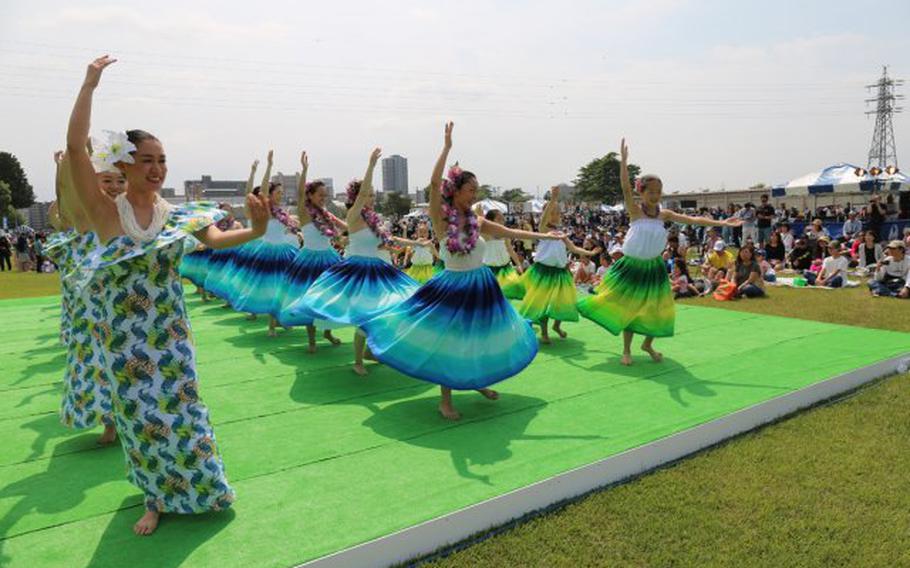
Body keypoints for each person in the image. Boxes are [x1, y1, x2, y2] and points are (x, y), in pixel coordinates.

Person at [65, 55, 272, 535]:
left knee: (184, 411)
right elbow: (76, 148)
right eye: (147, 160)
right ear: (123, 164)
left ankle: (203, 487)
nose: (157, 168)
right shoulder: (103, 210)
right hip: (123, 343)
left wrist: (257, 229)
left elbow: (217, 240)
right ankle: (154, 498)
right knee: (140, 420)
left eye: (162, 161)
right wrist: (89, 85)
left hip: (171, 335)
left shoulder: (177, 214)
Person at [362, 122, 566, 419]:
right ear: (455, 190)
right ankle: (446, 400)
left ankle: (477, 381)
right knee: (450, 341)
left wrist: (546, 237)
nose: (474, 195)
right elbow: (433, 185)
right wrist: (446, 148)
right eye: (470, 190)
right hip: (453, 286)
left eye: (476, 190)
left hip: (481, 286)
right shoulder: (440, 219)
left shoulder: (477, 220)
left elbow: (509, 232)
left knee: (478, 339)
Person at [577, 139, 741, 366]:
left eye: (658, 191)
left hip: (654, 267)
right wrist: (623, 163)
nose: (655, 195)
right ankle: (627, 350)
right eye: (651, 191)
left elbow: (694, 219)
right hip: (632, 267)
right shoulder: (635, 211)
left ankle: (648, 344)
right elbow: (625, 188)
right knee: (630, 308)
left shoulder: (664, 215)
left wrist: (723, 222)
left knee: (660, 308)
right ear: (641, 193)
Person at [289, 148, 424, 376]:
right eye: (367, 195)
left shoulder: (370, 219)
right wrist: (371, 166)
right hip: (358, 270)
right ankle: (357, 359)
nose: (371, 198)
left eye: (373, 195)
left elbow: (381, 238)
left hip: (378, 269)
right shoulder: (351, 213)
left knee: (387, 309)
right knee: (364, 313)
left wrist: (419, 244)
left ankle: (369, 351)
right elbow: (306, 197)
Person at [276, 151, 348, 352]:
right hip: (309, 260)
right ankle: (312, 340)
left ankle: (327, 331)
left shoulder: (326, 214)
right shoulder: (305, 212)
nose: (324, 198)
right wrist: (305, 170)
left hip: (329, 258)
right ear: (310, 195)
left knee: (329, 297)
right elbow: (299, 195)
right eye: (320, 195)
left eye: (326, 195)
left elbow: (345, 226)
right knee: (309, 298)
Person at [517, 186, 599, 343]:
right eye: (552, 213)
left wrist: (590, 253)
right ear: (545, 214)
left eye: (558, 213)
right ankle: (544, 332)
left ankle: (556, 325)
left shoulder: (561, 232)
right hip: (544, 272)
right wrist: (553, 200)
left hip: (560, 272)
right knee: (544, 302)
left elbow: (573, 248)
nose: (556, 216)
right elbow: (544, 219)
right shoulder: (542, 230)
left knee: (563, 301)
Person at [482, 209, 525, 299]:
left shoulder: (504, 234)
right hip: (490, 271)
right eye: (499, 219)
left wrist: (518, 264)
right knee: (490, 296)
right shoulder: (485, 234)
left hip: (505, 269)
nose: (502, 221)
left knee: (513, 289)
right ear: (490, 221)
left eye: (503, 219)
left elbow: (510, 250)